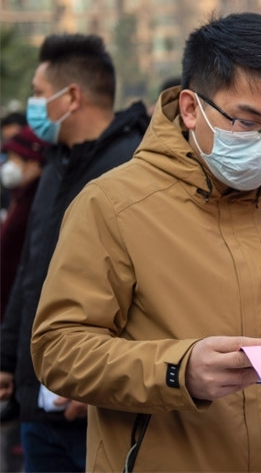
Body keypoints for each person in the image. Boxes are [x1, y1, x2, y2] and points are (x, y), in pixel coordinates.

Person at [29, 13, 261, 472]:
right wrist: (178, 369)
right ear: (189, 108)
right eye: (247, 122)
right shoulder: (111, 205)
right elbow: (59, 350)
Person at [0, 33, 149, 473]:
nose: (33, 105)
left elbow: (151, 290)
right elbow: (32, 268)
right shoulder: (56, 164)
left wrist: (102, 382)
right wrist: (9, 359)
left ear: (73, 96)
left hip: (97, 407)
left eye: (38, 94)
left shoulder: (134, 166)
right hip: (39, 405)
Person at [0, 127, 47, 319]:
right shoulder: (20, 196)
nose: (9, 166)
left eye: (15, 159)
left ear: (34, 163)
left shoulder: (35, 200)